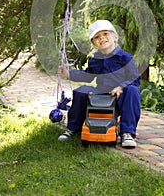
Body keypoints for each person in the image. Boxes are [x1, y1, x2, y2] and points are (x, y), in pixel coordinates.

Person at [58, 19, 141, 148]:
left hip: (121, 94)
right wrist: (68, 74)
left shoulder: (125, 57)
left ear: (115, 37)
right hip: (101, 92)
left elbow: (134, 78)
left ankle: (127, 133)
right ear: (94, 44)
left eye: (105, 34)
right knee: (81, 90)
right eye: (97, 37)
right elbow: (87, 76)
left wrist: (121, 87)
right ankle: (73, 129)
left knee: (133, 91)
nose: (102, 38)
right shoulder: (96, 59)